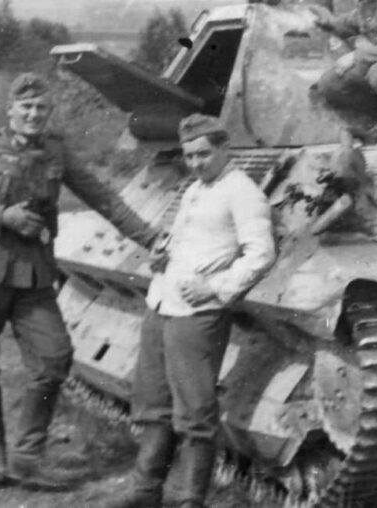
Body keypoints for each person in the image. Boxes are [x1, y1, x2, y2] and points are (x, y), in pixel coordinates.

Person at [0, 73, 159, 490]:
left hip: (32, 276)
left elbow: (107, 199)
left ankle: (27, 455)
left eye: (41, 108)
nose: (34, 115)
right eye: (26, 107)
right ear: (11, 110)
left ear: (49, 112)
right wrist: (2, 217)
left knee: (54, 357)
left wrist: (152, 239)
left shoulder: (58, 151)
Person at [108, 113, 276, 508]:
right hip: (163, 302)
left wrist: (216, 288)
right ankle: (145, 492)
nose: (196, 162)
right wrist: (163, 255)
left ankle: (189, 499)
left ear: (223, 149)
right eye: (190, 155)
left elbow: (261, 253)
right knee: (152, 404)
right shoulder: (196, 188)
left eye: (203, 154)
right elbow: (190, 239)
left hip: (198, 314)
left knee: (195, 414)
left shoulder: (242, 191)